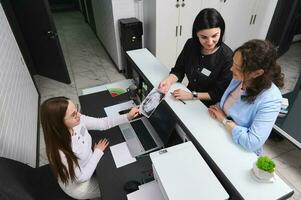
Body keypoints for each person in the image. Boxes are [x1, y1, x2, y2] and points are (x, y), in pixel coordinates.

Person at [40, 96, 139, 199]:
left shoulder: (77, 121)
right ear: (59, 123)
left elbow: (102, 123)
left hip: (89, 165)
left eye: (76, 110)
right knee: (117, 190)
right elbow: (81, 178)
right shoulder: (61, 152)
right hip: (81, 186)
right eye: (73, 115)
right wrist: (97, 152)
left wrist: (127, 116)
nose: (79, 115)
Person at [208, 39, 284, 155]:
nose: (231, 69)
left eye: (238, 68)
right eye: (233, 63)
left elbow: (252, 142)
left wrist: (224, 120)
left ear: (257, 73)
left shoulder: (271, 99)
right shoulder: (238, 79)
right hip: (220, 135)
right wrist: (217, 109)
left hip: (240, 151)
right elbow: (228, 105)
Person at [159, 8, 233, 107]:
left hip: (208, 107)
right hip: (186, 97)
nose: (210, 42)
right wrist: (168, 81)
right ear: (196, 34)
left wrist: (191, 95)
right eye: (204, 37)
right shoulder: (191, 44)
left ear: (221, 32)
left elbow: (217, 93)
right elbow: (179, 70)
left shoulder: (227, 57)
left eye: (214, 36)